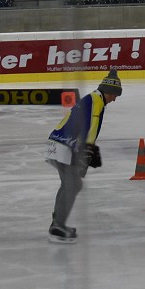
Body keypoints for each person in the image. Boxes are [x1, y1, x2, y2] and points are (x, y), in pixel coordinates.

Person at [44, 70, 122, 243]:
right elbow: (91, 127)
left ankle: (58, 221)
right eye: (115, 95)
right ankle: (57, 226)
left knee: (69, 184)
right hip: (63, 145)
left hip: (57, 143)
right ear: (109, 91)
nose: (115, 99)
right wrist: (86, 153)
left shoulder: (93, 98)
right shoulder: (97, 101)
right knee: (73, 185)